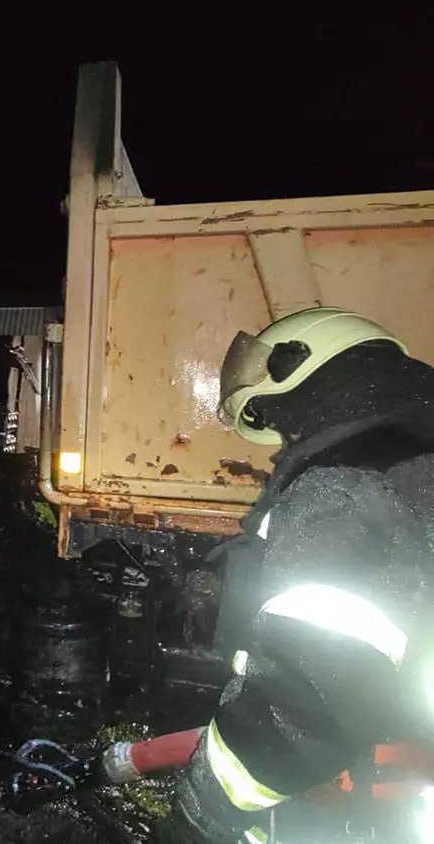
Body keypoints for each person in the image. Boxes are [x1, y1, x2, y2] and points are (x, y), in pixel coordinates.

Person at [163, 306, 434, 842]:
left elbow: (312, 697)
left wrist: (207, 806)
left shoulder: (346, 489)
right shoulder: (412, 464)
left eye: (286, 425)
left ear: (310, 373)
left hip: (394, 789)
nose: (286, 443)